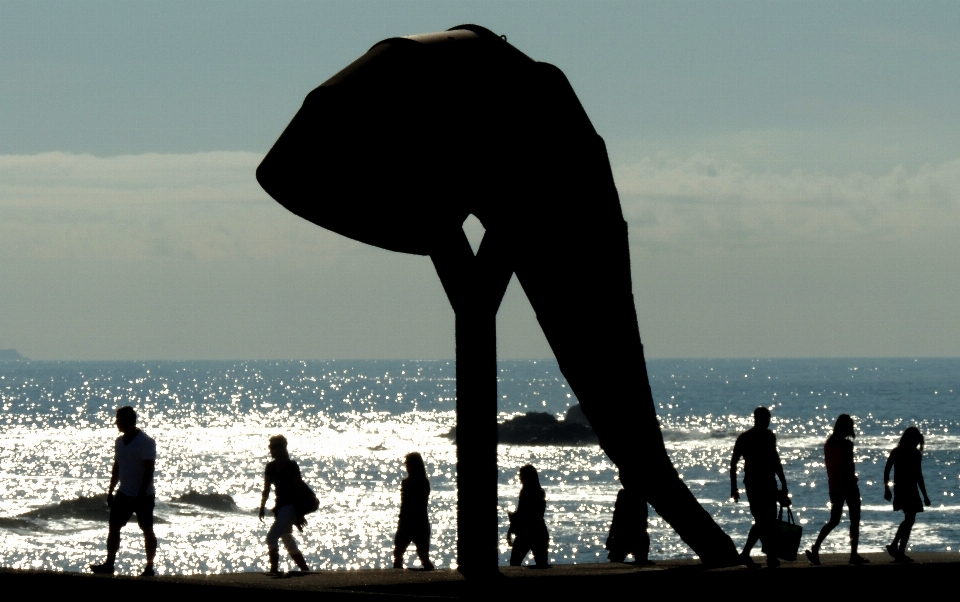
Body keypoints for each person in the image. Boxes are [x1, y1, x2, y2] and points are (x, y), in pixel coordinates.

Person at [89, 406, 158, 576]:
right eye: (117, 421)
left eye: (120, 421)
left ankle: (149, 566)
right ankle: (109, 564)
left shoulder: (146, 442)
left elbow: (149, 469)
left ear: (131, 421)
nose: (117, 424)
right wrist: (111, 489)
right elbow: (117, 466)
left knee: (147, 529)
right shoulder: (119, 442)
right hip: (124, 492)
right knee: (113, 527)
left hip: (144, 495)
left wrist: (141, 494)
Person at [805, 414, 869, 565]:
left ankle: (816, 548)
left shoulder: (828, 444)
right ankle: (853, 554)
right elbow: (848, 467)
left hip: (834, 486)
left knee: (834, 520)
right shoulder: (846, 445)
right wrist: (851, 482)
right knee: (854, 520)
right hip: (848, 486)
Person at [729, 406, 789, 568]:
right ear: (757, 419)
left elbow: (775, 460)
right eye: (765, 418)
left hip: (768, 484)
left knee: (768, 521)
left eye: (768, 418)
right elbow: (734, 463)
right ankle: (750, 554)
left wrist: (783, 482)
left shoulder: (769, 436)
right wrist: (734, 487)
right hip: (755, 485)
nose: (768, 422)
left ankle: (766, 556)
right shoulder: (746, 438)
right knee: (763, 521)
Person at [259, 435, 311, 574]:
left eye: (273, 447)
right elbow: (267, 488)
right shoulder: (270, 467)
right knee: (287, 538)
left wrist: (299, 512)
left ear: (282, 448)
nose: (271, 450)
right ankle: (305, 570)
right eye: (270, 447)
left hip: (290, 507)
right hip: (281, 508)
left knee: (271, 537)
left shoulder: (291, 465)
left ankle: (274, 570)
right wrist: (262, 506)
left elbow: (298, 488)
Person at [883, 427, 931, 563]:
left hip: (911, 489)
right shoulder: (897, 452)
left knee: (909, 519)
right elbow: (887, 471)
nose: (916, 444)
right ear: (909, 438)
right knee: (909, 519)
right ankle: (897, 549)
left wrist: (925, 495)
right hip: (903, 489)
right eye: (915, 440)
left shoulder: (915, 454)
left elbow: (918, 475)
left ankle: (897, 549)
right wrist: (887, 489)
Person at [392, 452, 435, 570]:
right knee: (398, 555)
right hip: (407, 522)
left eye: (409, 464)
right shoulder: (407, 482)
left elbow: (417, 504)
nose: (407, 467)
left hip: (418, 522)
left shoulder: (421, 482)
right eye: (407, 464)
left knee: (423, 557)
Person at [506, 464, 550, 567]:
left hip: (525, 533)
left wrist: (513, 517)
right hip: (539, 532)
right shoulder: (540, 492)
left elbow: (524, 514)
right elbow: (537, 515)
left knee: (514, 564)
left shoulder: (525, 492)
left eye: (521, 475)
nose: (520, 478)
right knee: (542, 565)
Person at [605, 488, 653, 565]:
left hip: (625, 533)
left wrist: (611, 535)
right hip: (635, 533)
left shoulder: (624, 494)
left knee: (616, 562)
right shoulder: (640, 493)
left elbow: (616, 516)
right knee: (640, 561)